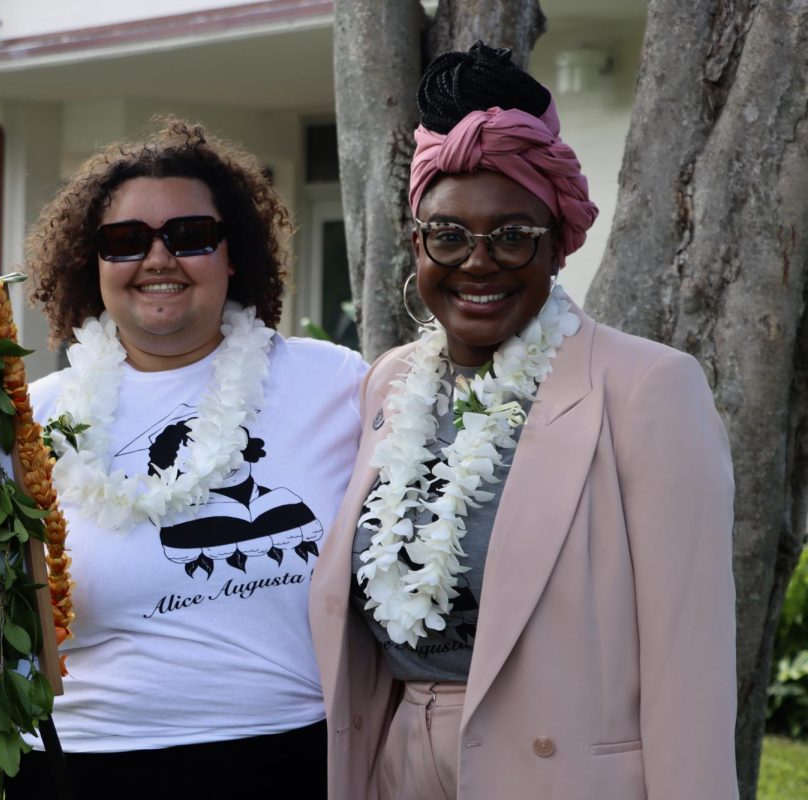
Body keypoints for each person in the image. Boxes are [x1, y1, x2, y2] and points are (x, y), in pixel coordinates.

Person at [308, 44, 737, 800]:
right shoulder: (390, 383)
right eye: (448, 235)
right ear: (417, 244)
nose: (478, 263)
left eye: (512, 235)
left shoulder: (646, 388)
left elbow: (689, 663)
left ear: (559, 243)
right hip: (398, 764)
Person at [15, 117, 368, 796]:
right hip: (81, 764)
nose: (158, 259)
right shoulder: (32, 416)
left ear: (233, 254)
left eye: (190, 236)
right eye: (125, 241)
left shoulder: (335, 383)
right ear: (92, 263)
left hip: (287, 760)